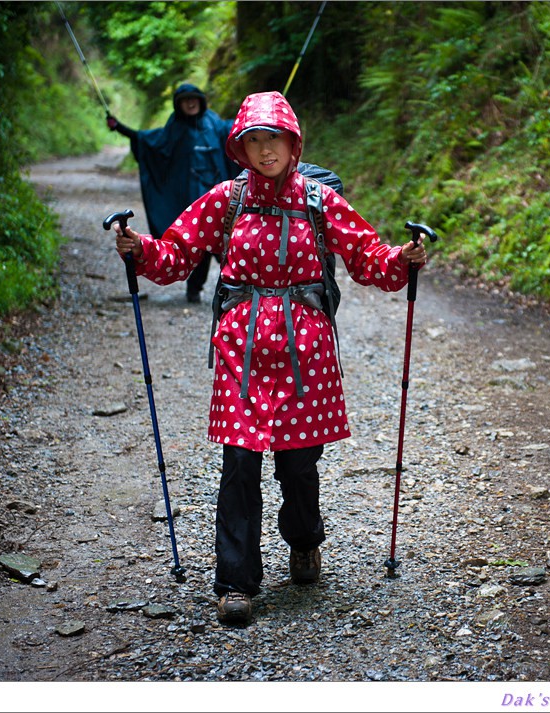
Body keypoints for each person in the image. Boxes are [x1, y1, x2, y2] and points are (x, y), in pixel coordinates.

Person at [110, 90, 428, 626]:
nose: (264, 151)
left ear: (292, 143)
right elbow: (175, 253)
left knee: (300, 464)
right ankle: (237, 581)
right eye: (252, 141)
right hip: (242, 346)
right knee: (239, 462)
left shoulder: (319, 201)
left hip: (308, 350)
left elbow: (367, 256)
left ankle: (304, 540)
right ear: (239, 148)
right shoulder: (225, 200)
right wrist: (139, 249)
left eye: (273, 139)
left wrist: (403, 258)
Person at [107, 83, 238, 303]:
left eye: (194, 98)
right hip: (191, 199)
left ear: (201, 100)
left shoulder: (216, 125)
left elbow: (239, 132)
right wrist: (119, 127)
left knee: (229, 244)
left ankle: (235, 292)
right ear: (179, 104)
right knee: (197, 244)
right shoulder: (174, 130)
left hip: (222, 199)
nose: (190, 102)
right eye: (186, 100)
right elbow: (147, 141)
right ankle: (194, 289)